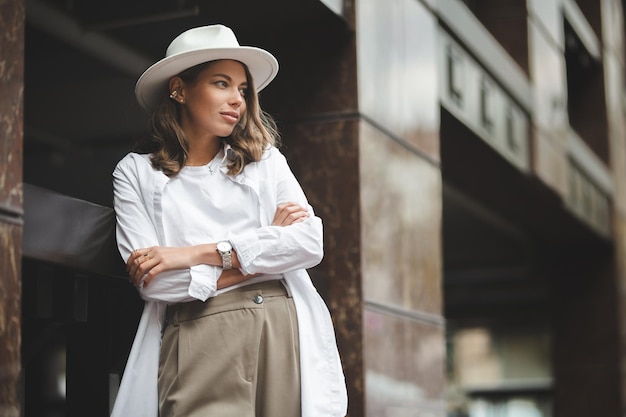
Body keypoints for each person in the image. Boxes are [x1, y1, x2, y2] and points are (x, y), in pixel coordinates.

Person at [110, 24, 347, 417]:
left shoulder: (264, 160)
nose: (237, 99)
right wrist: (266, 252)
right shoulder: (135, 173)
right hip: (194, 331)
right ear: (179, 89)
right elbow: (157, 281)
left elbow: (308, 243)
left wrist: (193, 254)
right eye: (222, 83)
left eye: (242, 89)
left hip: (278, 326)